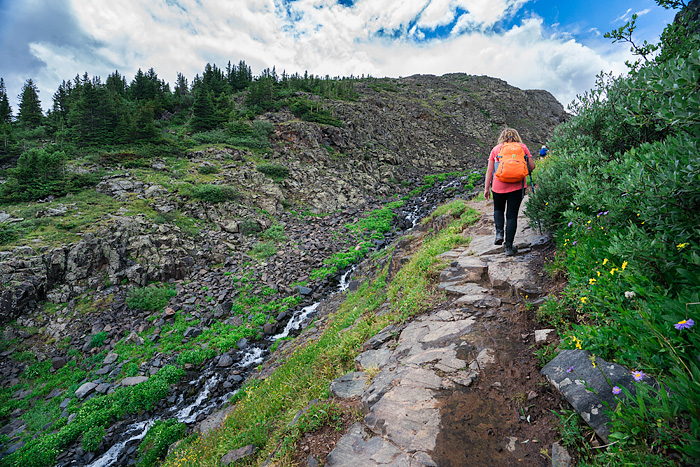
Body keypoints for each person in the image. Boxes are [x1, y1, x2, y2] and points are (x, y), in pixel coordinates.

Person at [483, 128, 535, 256]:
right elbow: (532, 166)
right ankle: (508, 246)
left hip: (498, 186)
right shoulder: (522, 147)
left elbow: (489, 171)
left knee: (498, 209)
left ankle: (499, 233)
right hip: (517, 186)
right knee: (511, 216)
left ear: (502, 137)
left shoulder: (496, 149)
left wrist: (486, 189)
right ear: (516, 136)